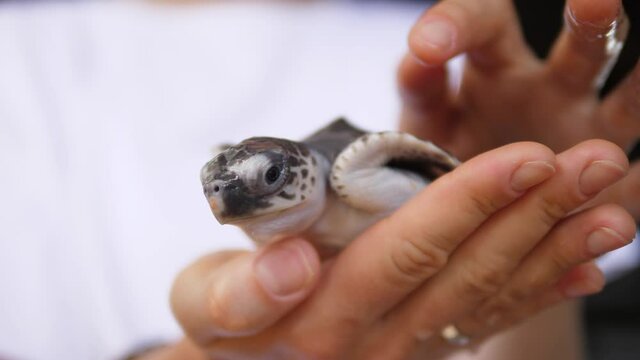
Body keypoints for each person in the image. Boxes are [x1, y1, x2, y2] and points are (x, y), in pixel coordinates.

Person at [0, 1, 636, 360]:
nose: (232, 201)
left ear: (308, 172)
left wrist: (520, 221)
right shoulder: (18, 63)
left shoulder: (415, 77)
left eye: (270, 177)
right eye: (216, 191)